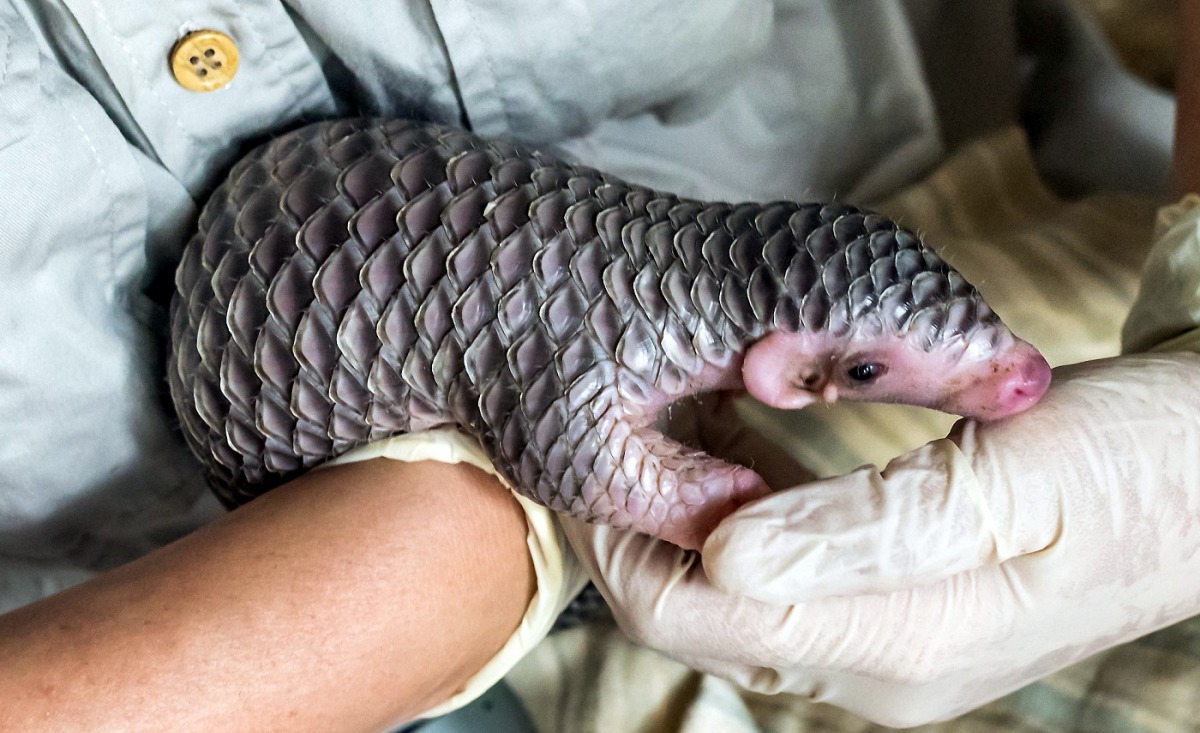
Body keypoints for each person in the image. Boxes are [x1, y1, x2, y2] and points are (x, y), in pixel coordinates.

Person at [0, 1, 1191, 731]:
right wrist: (713, 505)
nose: (1007, 385)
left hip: (998, 156)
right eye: (879, 366)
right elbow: (564, 428)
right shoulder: (647, 353)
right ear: (788, 371)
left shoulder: (726, 306)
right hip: (222, 614)